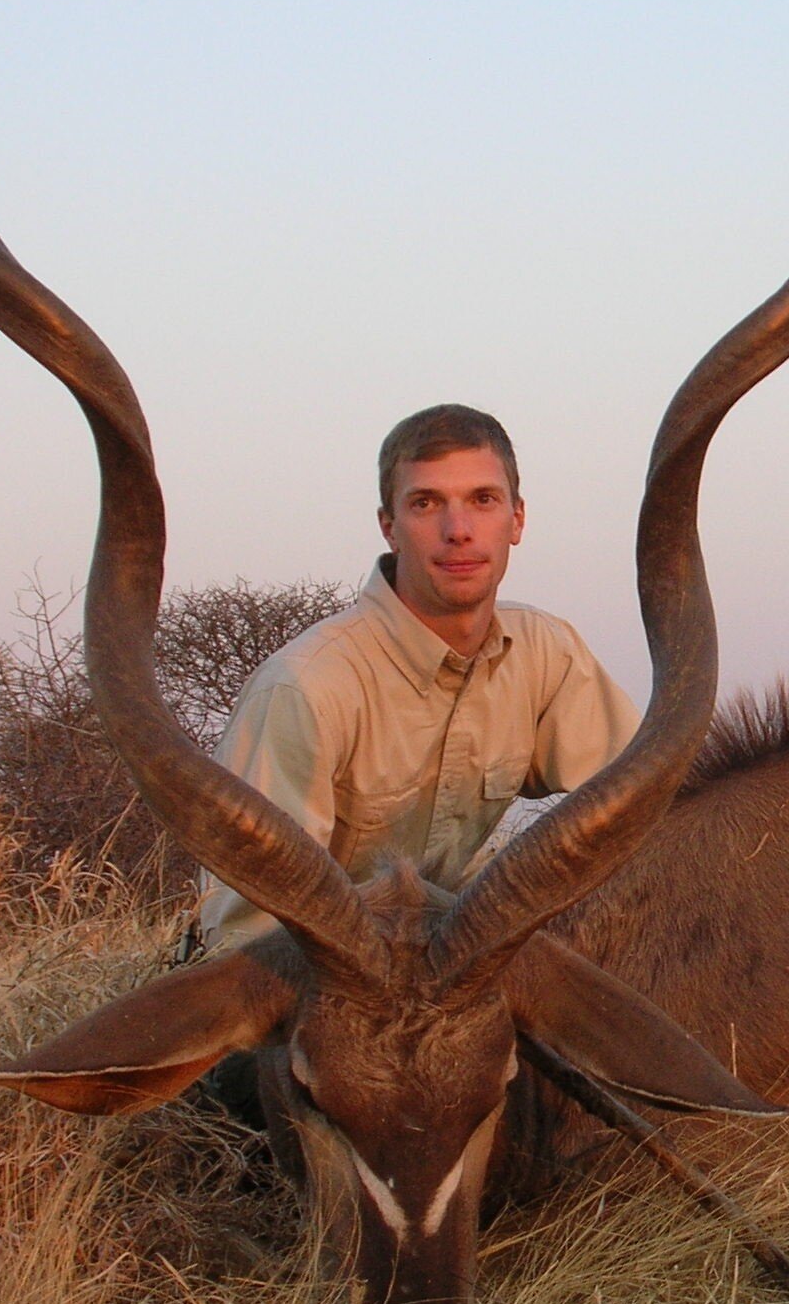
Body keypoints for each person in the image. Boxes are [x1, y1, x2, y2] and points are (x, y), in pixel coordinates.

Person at [193, 403, 640, 953]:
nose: (458, 531)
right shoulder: (306, 686)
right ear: (390, 526)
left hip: (461, 964)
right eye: (426, 504)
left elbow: (651, 804)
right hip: (324, 981)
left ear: (517, 519)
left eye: (483, 500)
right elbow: (247, 935)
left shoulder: (546, 651)